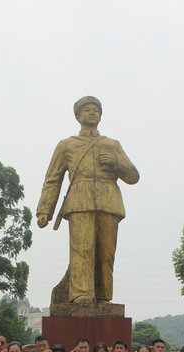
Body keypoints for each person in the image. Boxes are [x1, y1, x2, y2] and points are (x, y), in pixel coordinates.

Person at [36, 96, 140, 304]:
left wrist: (116, 162)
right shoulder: (67, 145)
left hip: (109, 199)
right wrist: (44, 210)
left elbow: (133, 176)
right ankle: (81, 293)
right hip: (80, 199)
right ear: (77, 116)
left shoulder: (113, 144)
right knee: (81, 248)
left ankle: (103, 294)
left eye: (96, 110)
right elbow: (53, 179)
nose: (92, 112)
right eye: (87, 110)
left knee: (106, 253)